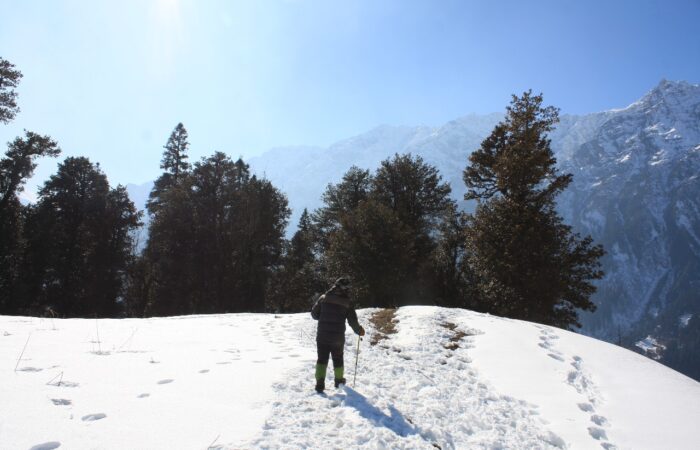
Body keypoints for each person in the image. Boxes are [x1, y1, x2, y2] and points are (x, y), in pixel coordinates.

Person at [311, 277, 365, 393]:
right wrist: (359, 330)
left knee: (321, 359)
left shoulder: (323, 298)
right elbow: (352, 321)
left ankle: (320, 383)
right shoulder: (347, 302)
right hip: (337, 338)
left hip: (322, 336)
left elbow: (314, 315)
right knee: (338, 358)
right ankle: (339, 381)